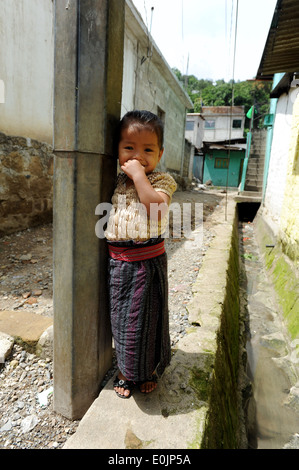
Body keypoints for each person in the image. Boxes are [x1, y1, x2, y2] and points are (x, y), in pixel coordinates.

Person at [105, 110, 177, 398]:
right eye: (129, 148)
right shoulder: (117, 180)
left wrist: (137, 176)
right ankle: (125, 370)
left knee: (145, 321)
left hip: (146, 264)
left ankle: (146, 371)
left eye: (148, 149)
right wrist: (130, 174)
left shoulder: (161, 181)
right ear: (118, 150)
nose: (138, 156)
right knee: (121, 320)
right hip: (118, 264)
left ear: (160, 153)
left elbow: (156, 208)